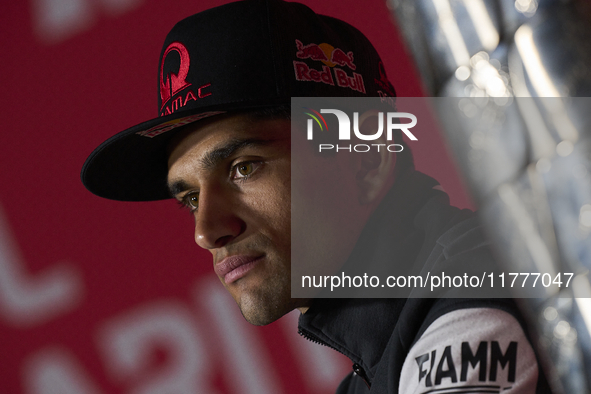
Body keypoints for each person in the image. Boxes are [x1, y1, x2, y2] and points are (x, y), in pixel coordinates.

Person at [81, 0, 551, 392]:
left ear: (366, 160)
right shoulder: (379, 360)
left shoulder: (469, 300)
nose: (207, 231)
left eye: (244, 167)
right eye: (189, 199)